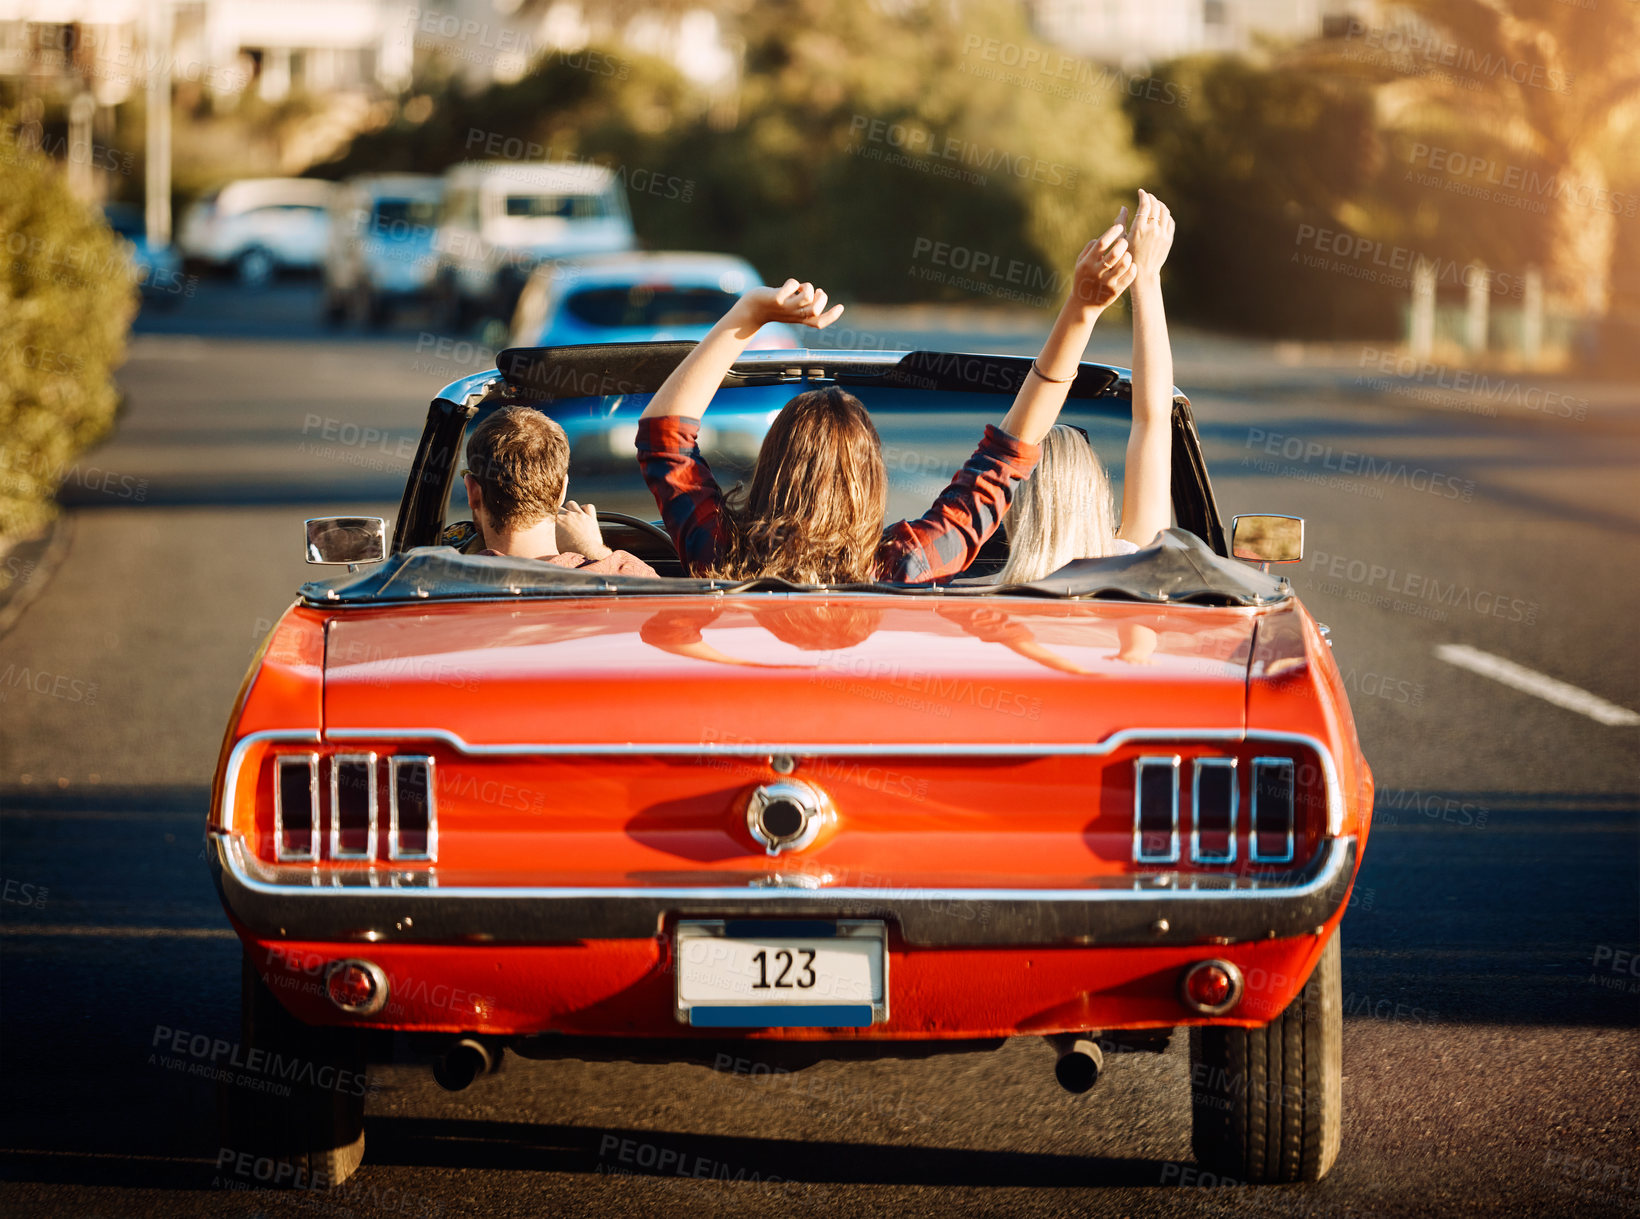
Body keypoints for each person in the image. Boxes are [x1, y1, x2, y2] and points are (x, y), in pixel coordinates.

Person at [634, 208, 1140, 585]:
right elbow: (1005, 460)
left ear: (772, 468)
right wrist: (1082, 309)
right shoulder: (903, 564)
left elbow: (664, 438)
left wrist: (748, 314)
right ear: (871, 479)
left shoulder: (720, 553)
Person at [996, 189, 1176, 584]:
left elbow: (1007, 446)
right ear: (1095, 496)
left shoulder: (970, 603)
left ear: (1013, 510)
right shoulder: (1130, 573)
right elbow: (1153, 420)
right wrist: (1146, 277)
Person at [456, 405, 658, 576]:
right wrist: (595, 551)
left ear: (473, 492)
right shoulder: (630, 580)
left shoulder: (442, 581)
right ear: (562, 490)